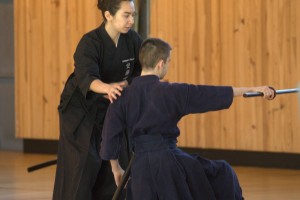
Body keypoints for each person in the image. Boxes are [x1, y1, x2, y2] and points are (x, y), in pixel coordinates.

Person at [100, 38, 276, 200]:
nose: (168, 66)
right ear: (160, 64)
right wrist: (256, 88)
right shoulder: (173, 91)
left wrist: (116, 168)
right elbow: (212, 94)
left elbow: (110, 135)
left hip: (139, 168)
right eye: (169, 62)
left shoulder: (121, 95)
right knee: (222, 172)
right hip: (169, 163)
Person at [52, 0, 143, 200]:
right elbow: (86, 76)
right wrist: (108, 88)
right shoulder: (90, 42)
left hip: (112, 106)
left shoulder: (133, 40)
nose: (131, 20)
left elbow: (138, 71)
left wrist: (124, 86)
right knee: (83, 164)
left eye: (133, 15)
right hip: (80, 110)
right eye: (126, 15)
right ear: (108, 15)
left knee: (116, 161)